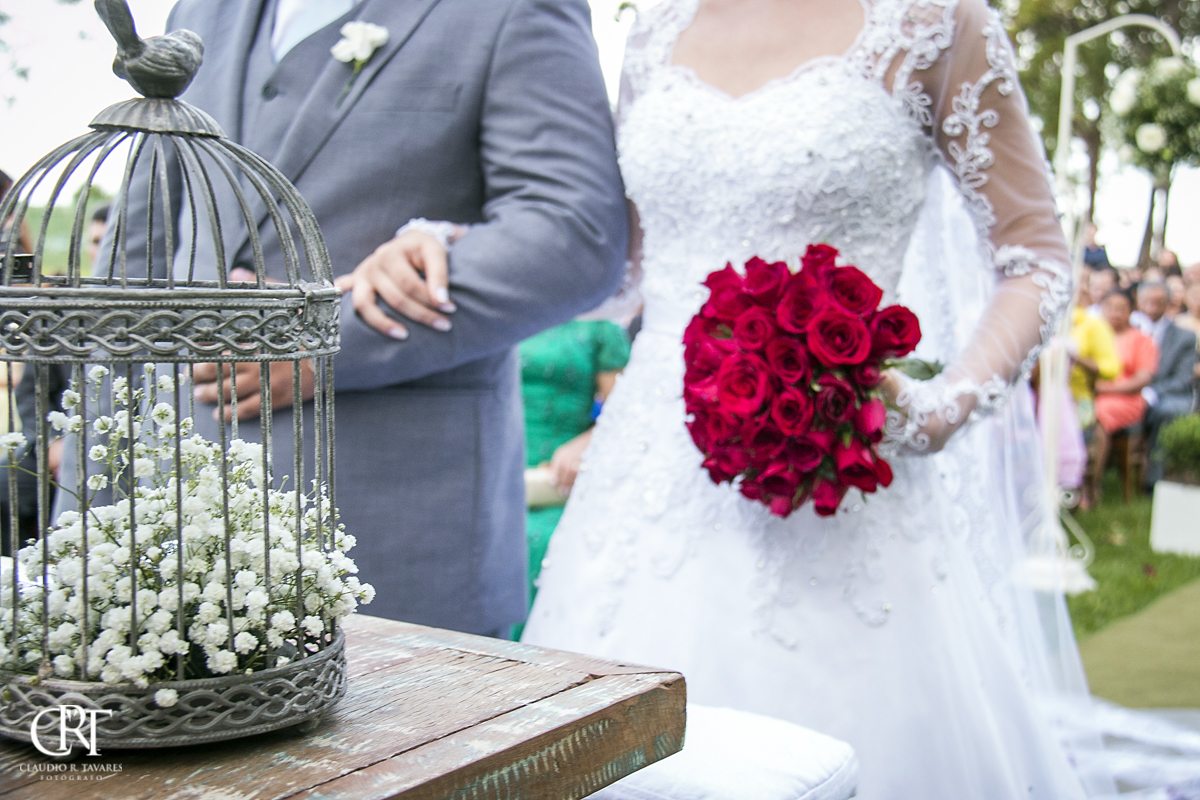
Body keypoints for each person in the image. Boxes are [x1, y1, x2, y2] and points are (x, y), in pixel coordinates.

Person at [513, 0, 1100, 794]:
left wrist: (942, 407)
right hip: (644, 482)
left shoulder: (936, 23)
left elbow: (1036, 258)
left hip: (847, 469)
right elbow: (625, 270)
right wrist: (461, 242)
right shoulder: (655, 30)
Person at [88, 0, 628, 637]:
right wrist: (90, 502)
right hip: (167, 528)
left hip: (397, 532)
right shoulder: (203, 11)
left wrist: (321, 341)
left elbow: (573, 234)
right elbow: (133, 262)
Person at [516, 319, 629, 634]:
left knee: (535, 540)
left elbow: (623, 413)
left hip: (558, 477)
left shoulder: (601, 325)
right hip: (495, 465)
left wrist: (584, 445)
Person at [1091, 290, 1158, 505]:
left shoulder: (1142, 339)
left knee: (1098, 414)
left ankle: (1092, 486)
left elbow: (1143, 378)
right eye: (1110, 307)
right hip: (1093, 394)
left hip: (1126, 399)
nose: (1115, 313)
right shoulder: (1093, 334)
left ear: (1131, 311)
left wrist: (1105, 390)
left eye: (1121, 309)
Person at [1138, 280, 1199, 487]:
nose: (1153, 307)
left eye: (1158, 302)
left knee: (1168, 411)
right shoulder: (1129, 329)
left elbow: (1182, 379)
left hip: (1169, 393)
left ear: (1168, 303)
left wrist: (1151, 392)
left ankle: (1153, 481)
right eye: (1148, 301)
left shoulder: (1185, 337)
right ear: (1139, 301)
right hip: (1130, 390)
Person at [1068, 293, 1121, 509]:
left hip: (1079, 398)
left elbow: (1111, 368)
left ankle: (1085, 487)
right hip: (1040, 395)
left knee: (1084, 429)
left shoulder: (1092, 325)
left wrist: (1076, 358)